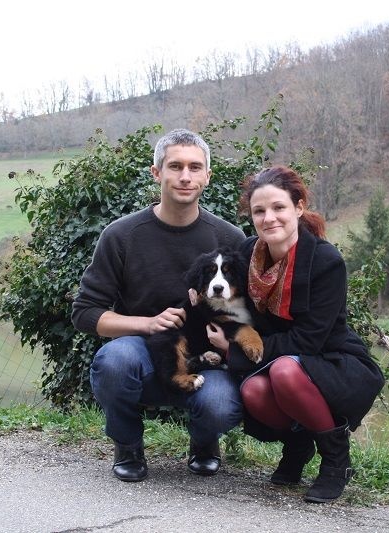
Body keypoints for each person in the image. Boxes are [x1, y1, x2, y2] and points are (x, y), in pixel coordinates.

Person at [71, 128, 246, 482]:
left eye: (195, 167)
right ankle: (128, 445)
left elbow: (248, 307)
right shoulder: (121, 235)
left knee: (219, 405)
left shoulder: (230, 238)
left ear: (208, 176)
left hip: (207, 356)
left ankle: (204, 441)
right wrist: (147, 324)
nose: (185, 177)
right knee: (114, 363)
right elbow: (85, 312)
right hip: (142, 353)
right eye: (175, 166)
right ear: (156, 173)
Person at [206, 165, 385, 503]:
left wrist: (233, 350)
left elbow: (308, 341)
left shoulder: (325, 261)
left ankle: (337, 461)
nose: (269, 218)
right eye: (259, 211)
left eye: (279, 207)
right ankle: (298, 445)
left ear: (299, 207)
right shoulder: (247, 254)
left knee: (284, 370)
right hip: (277, 359)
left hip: (330, 360)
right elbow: (220, 289)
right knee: (254, 390)